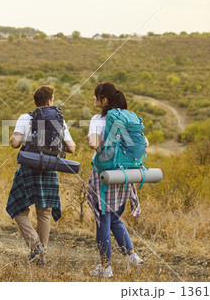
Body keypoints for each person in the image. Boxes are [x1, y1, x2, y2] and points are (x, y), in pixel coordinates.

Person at [6, 85, 76, 265]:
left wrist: (13, 138)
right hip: (49, 169)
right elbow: (72, 147)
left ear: (36, 101)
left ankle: (36, 247)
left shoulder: (25, 117)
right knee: (44, 212)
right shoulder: (58, 120)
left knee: (18, 209)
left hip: (29, 168)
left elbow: (15, 143)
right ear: (49, 101)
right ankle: (41, 254)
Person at [87, 82, 147, 278]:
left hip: (104, 175)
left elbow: (95, 143)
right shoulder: (127, 117)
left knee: (102, 219)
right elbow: (145, 142)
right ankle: (132, 257)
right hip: (124, 175)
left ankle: (106, 268)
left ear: (104, 100)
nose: (94, 100)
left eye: (96, 97)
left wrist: (92, 142)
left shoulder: (97, 119)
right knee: (113, 218)